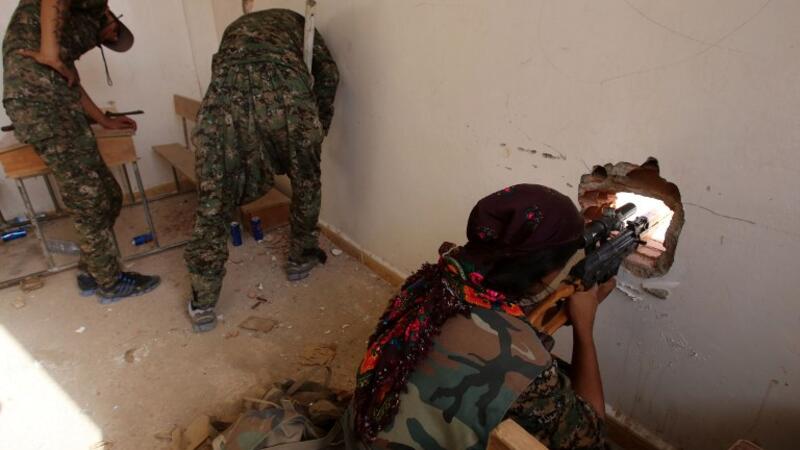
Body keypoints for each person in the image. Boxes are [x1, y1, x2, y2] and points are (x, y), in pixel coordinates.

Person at [345, 184, 615, 450]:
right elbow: (590, 438)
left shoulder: (430, 282)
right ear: (543, 273)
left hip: (361, 434)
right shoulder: (526, 365)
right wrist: (584, 327)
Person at [184, 9, 339, 332]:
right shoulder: (300, 23)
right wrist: (319, 123)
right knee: (306, 181)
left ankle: (203, 302)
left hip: (226, 94)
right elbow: (328, 74)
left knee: (214, 196)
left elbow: (221, 71)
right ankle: (300, 258)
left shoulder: (233, 28)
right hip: (286, 90)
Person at [3, 0, 161, 302]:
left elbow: (72, 84)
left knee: (109, 194)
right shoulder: (73, 22)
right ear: (108, 18)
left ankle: (93, 268)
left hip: (58, 106)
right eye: (110, 34)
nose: (107, 39)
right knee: (89, 202)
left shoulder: (57, 43)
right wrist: (50, 53)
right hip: (41, 105)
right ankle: (110, 283)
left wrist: (104, 120)